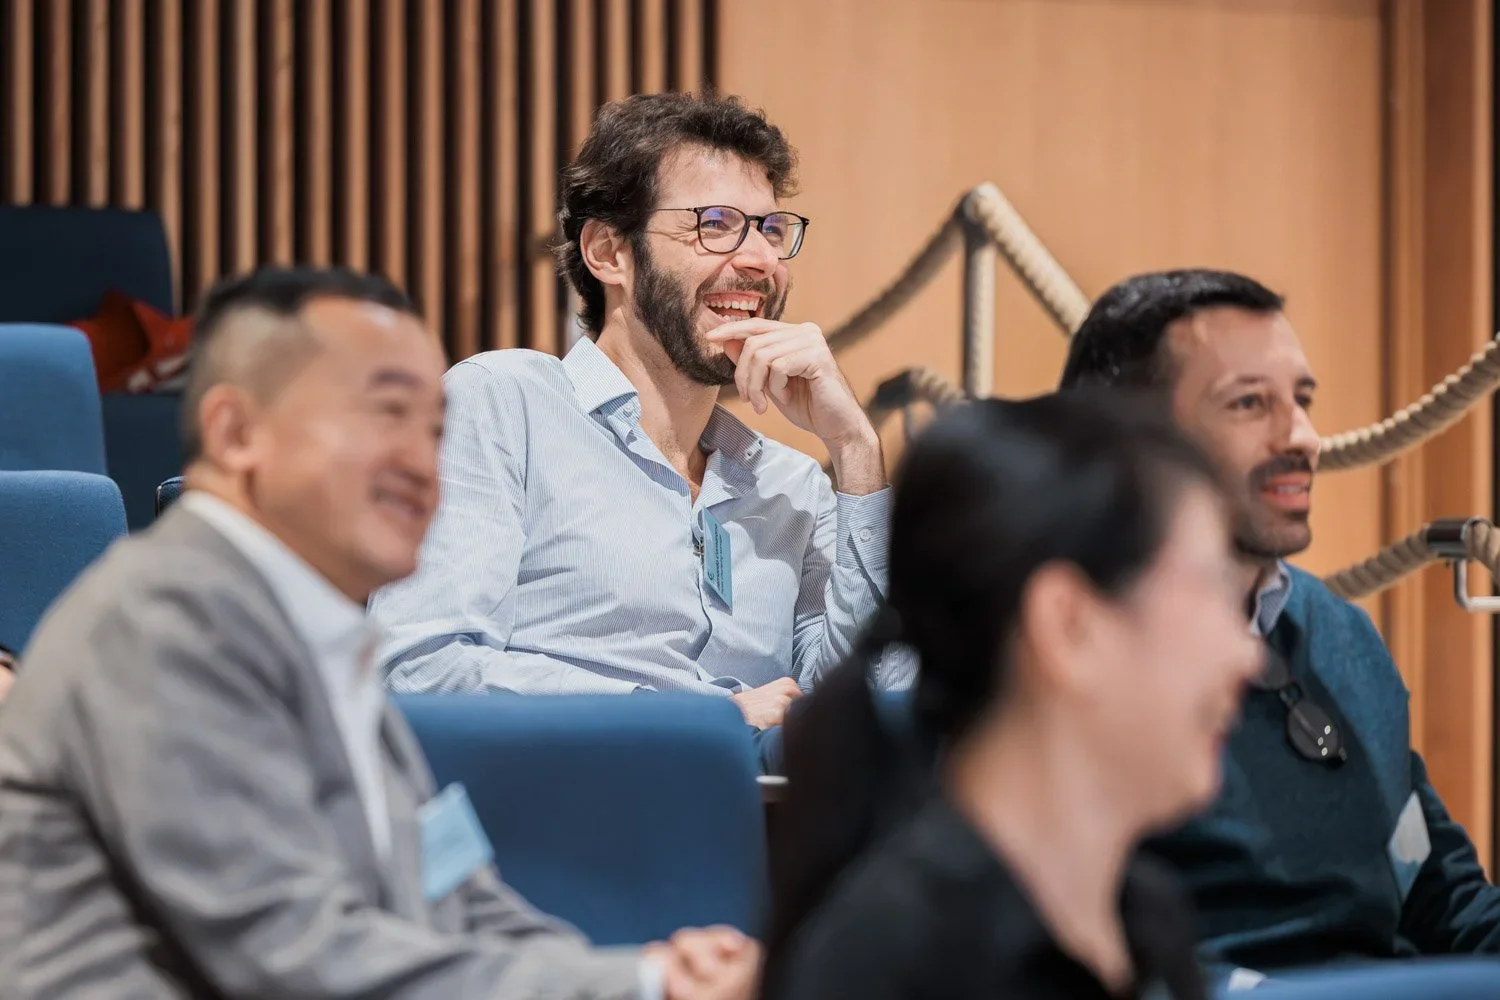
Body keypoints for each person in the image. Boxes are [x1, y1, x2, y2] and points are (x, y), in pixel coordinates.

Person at [0, 266, 759, 1000]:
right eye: (383, 415)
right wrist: (637, 988)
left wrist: (652, 971)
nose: (424, 466)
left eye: (433, 428)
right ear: (235, 433)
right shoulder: (163, 627)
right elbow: (289, 957)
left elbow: (454, 894)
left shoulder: (325, 638)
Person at [370, 93, 907, 766]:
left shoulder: (791, 484)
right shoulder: (507, 405)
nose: (759, 260)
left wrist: (856, 451)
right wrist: (697, 719)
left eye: (770, 230)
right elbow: (421, 672)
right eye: (716, 224)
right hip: (561, 834)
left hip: (760, 848)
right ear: (608, 252)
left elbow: (879, 705)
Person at [1059, 268, 1500, 983]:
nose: (1302, 436)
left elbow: (1438, 895)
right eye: (1248, 404)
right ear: (1129, 441)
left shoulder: (1343, 637)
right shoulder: (1061, 657)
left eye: (1301, 399)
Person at [761, 393, 1263, 1000]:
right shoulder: (886, 961)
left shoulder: (1149, 919)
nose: (1249, 656)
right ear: (1069, 625)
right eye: (1213, 589)